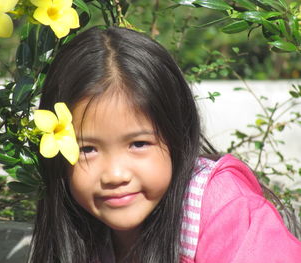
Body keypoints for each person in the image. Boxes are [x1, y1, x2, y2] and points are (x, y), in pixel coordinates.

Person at [29, 26, 301, 263]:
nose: (115, 175)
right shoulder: (82, 231)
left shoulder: (223, 209)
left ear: (176, 136)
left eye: (138, 144)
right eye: (87, 149)